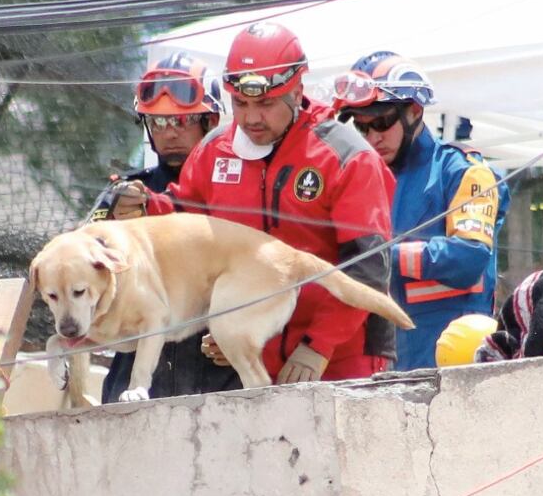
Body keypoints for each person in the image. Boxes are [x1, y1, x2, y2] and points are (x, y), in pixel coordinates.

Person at [113, 23, 397, 383]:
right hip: (256, 358)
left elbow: (366, 268)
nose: (250, 118)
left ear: (297, 91)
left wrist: (317, 346)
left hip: (341, 356)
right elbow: (186, 216)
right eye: (240, 103)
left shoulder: (346, 157)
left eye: (265, 103)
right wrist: (145, 207)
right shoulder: (217, 148)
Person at [331, 51, 510, 370]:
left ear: (414, 111)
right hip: (384, 365)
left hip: (453, 365)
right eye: (361, 128)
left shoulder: (462, 172)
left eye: (382, 123)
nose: (372, 138)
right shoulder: (362, 179)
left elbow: (469, 257)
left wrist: (382, 256)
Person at [96, 52, 242, 403]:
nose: (170, 133)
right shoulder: (125, 195)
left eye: (183, 121)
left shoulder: (242, 189)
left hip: (218, 374)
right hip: (136, 379)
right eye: (158, 123)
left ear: (210, 120)